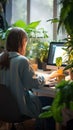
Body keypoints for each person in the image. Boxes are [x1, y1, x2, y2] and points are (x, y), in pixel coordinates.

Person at [0, 27, 55, 129]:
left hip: (4, 109)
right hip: (20, 108)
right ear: (22, 43)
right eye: (25, 43)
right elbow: (33, 83)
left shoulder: (1, 57)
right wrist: (48, 77)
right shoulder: (21, 61)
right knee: (53, 102)